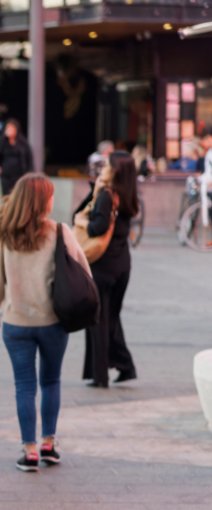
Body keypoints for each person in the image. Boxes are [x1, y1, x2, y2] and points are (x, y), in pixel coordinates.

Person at [0, 174, 90, 471]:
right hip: (53, 321)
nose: (54, 200)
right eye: (51, 196)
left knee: (24, 386)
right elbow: (82, 268)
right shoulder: (59, 231)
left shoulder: (6, 234)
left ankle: (29, 450)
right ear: (42, 201)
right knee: (51, 380)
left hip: (16, 324)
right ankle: (48, 444)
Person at [83, 151, 139, 388]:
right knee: (111, 317)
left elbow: (98, 227)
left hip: (103, 266)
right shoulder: (129, 194)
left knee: (97, 318)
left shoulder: (106, 195)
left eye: (107, 164)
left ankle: (100, 375)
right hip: (122, 266)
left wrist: (85, 222)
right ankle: (125, 366)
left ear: (114, 170)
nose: (104, 166)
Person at [0, 118, 34, 196]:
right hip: (6, 174)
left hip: (20, 175)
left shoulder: (23, 143)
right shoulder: (0, 140)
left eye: (12, 128)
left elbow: (29, 159)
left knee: (19, 195)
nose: (10, 130)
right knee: (6, 195)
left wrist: (30, 173)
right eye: (8, 128)